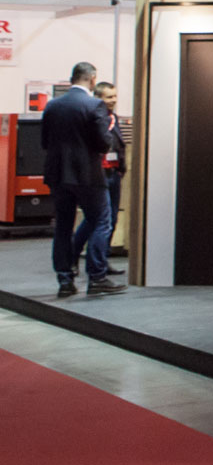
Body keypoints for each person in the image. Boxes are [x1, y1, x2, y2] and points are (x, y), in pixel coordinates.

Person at [43, 62, 122, 296]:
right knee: (101, 221)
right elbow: (104, 142)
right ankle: (97, 277)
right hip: (87, 174)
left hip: (58, 174)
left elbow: (45, 142)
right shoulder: (94, 105)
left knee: (63, 227)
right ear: (93, 79)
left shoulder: (52, 105)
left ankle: (65, 281)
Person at [95, 81, 130, 277]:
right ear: (98, 98)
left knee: (112, 218)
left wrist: (121, 169)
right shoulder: (95, 119)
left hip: (114, 173)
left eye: (115, 96)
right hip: (99, 175)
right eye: (109, 97)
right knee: (102, 220)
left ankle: (103, 259)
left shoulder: (114, 118)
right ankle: (94, 263)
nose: (113, 100)